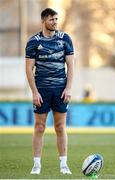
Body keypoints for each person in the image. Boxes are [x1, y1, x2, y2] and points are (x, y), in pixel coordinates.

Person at [25, 8, 74, 175]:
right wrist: (34, 92)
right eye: (52, 19)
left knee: (60, 127)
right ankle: (36, 165)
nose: (55, 22)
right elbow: (29, 69)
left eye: (56, 19)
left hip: (60, 89)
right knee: (39, 127)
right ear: (44, 21)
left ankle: (63, 165)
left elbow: (71, 65)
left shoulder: (65, 39)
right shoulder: (33, 42)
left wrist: (68, 88)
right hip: (42, 90)